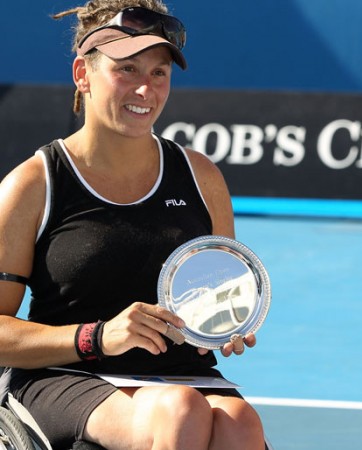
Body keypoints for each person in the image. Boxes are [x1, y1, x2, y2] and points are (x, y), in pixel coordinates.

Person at [0, 1, 266, 448]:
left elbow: (217, 287)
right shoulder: (33, 184)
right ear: (83, 75)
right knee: (178, 412)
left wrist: (221, 325)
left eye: (159, 73)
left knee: (240, 425)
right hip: (66, 373)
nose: (146, 90)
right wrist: (99, 337)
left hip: (182, 374)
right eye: (126, 69)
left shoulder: (202, 178)